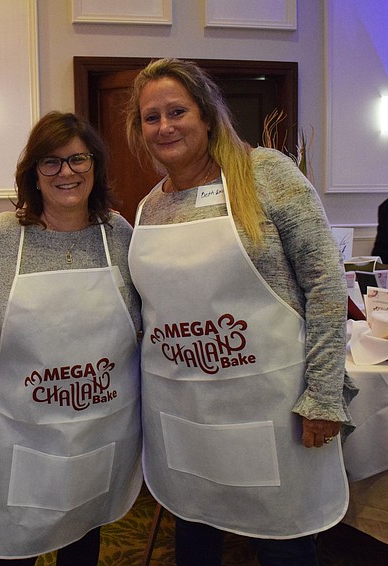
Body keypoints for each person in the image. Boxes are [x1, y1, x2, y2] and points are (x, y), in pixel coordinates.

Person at [124, 57, 355, 565]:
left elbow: (324, 284)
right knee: (196, 531)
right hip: (184, 416)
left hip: (273, 412)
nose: (165, 126)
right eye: (151, 117)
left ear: (206, 115)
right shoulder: (148, 208)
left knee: (284, 541)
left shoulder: (265, 172)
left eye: (177, 111)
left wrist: (323, 395)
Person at [0, 111, 142, 565]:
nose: (66, 172)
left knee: (82, 538)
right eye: (50, 162)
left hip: (95, 433)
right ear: (33, 173)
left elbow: (153, 319)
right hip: (23, 440)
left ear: (95, 167)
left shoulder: (119, 236)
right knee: (14, 546)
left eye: (78, 160)